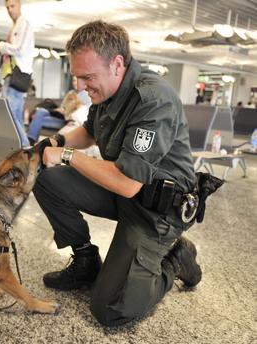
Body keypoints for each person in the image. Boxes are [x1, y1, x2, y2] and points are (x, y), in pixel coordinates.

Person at [34, 20, 201, 326]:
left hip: (157, 211)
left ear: (117, 64)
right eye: (78, 78)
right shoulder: (108, 91)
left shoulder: (153, 99)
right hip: (125, 191)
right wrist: (55, 141)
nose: (81, 87)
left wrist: (67, 155)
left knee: (111, 309)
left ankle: (177, 258)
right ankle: (85, 261)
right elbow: (89, 131)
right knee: (44, 177)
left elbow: (126, 183)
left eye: (88, 77)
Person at [0, 0, 35, 147]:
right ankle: (22, 148)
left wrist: (1, 46)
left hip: (18, 75)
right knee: (15, 115)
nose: (10, 10)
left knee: (10, 115)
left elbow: (20, 49)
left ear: (20, 5)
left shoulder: (24, 23)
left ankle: (25, 148)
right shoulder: (15, 25)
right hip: (10, 74)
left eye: (12, 6)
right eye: (7, 7)